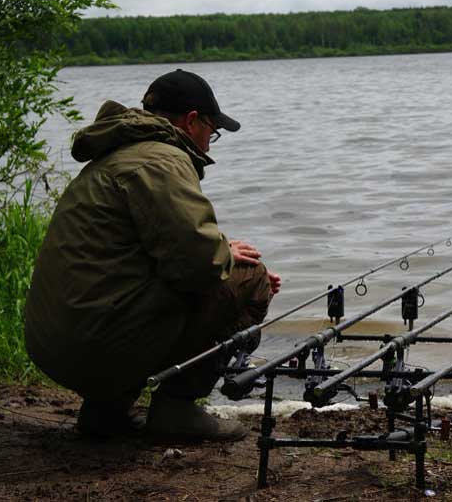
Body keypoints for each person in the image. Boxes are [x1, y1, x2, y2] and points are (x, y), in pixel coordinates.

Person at [25, 69, 280, 441]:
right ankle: (177, 409)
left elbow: (143, 248)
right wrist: (230, 263)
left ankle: (104, 410)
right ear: (193, 121)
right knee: (253, 277)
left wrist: (222, 249)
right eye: (213, 130)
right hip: (96, 344)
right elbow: (199, 266)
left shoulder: (117, 155)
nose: (209, 144)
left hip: (54, 346)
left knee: (221, 270)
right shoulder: (162, 160)